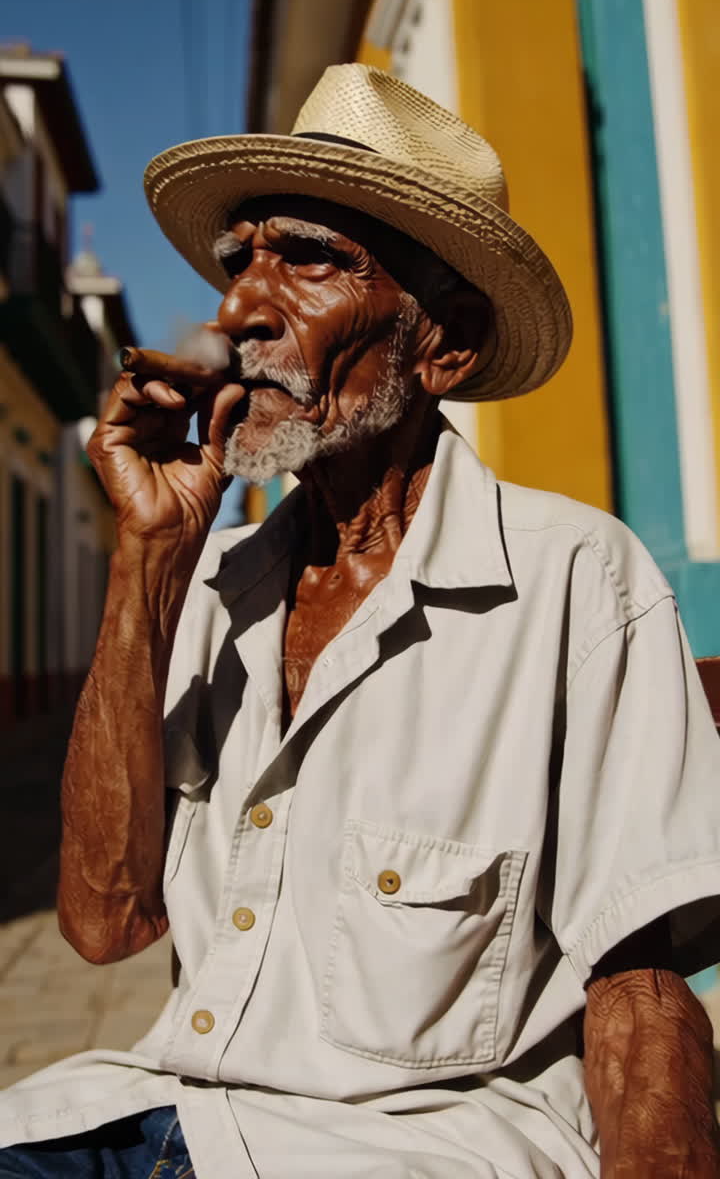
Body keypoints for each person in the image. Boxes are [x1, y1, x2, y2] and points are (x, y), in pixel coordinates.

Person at [0, 64, 719, 1178]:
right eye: (241, 262)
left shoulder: (577, 577)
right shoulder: (215, 578)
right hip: (173, 1113)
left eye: (309, 259)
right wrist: (147, 558)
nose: (238, 309)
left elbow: (641, 987)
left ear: (447, 343)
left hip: (414, 1148)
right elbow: (104, 922)